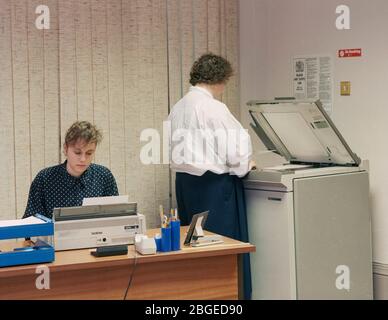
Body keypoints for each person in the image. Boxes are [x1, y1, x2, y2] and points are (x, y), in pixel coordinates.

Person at [168, 53, 255, 299]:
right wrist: (247, 164)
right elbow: (237, 150)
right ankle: (228, 299)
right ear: (219, 79)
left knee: (194, 253)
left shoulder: (178, 107)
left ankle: (200, 298)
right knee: (223, 252)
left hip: (186, 186)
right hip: (214, 189)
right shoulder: (213, 107)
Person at [23, 121, 119, 219]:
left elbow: (116, 218)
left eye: (89, 153)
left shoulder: (104, 176)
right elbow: (32, 221)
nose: (83, 159)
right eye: (77, 153)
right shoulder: (44, 179)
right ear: (65, 149)